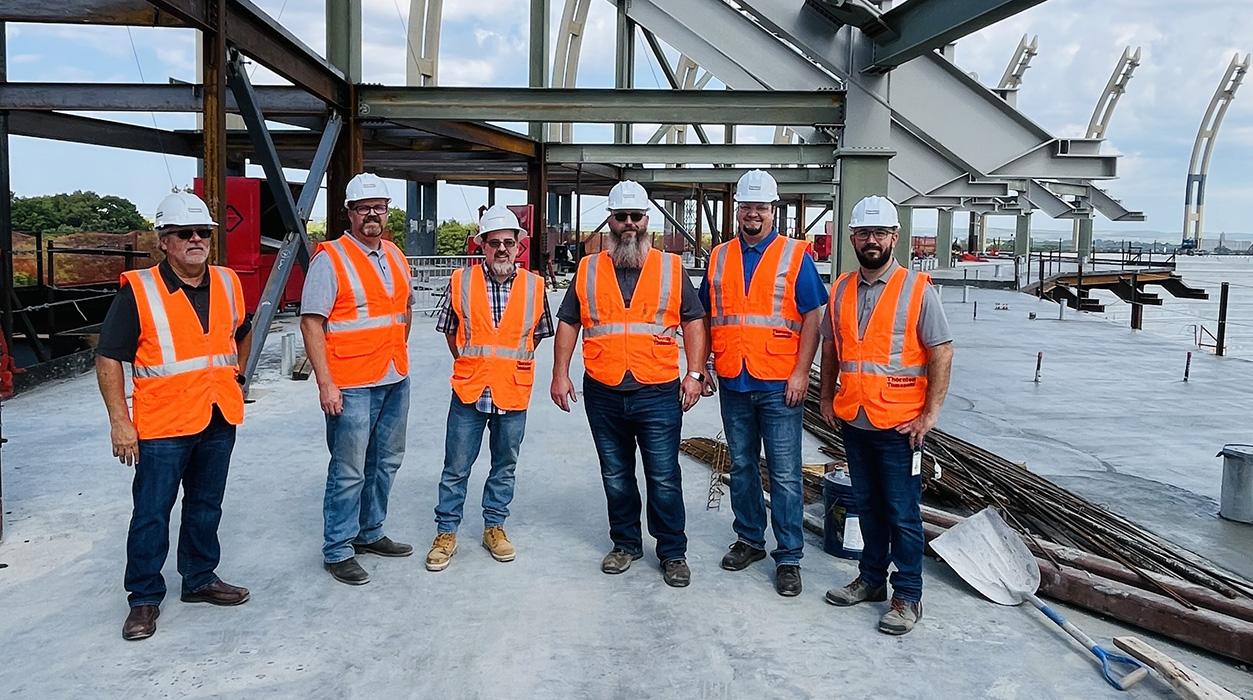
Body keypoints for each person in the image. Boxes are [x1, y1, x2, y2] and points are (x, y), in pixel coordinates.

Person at [96, 191, 252, 641]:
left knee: (206, 505)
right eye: (184, 233)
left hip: (218, 414)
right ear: (163, 241)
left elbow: (241, 332)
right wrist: (119, 421)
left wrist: (237, 375)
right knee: (151, 511)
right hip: (163, 424)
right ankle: (143, 598)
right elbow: (109, 358)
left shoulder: (226, 282)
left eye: (203, 232)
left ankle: (200, 578)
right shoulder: (140, 290)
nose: (196, 240)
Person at [550, 180, 707, 588]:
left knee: (663, 475)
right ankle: (625, 543)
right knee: (615, 474)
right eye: (621, 217)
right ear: (611, 221)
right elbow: (569, 320)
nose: (629, 224)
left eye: (636, 217)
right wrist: (560, 373)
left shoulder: (671, 268)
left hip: (657, 390)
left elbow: (693, 321)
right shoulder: (588, 267)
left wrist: (694, 373)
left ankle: (672, 552)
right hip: (603, 389)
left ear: (647, 221)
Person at [819, 195, 954, 635]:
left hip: (900, 426)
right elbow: (833, 348)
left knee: (902, 512)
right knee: (869, 506)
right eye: (863, 234)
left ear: (895, 238)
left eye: (879, 234)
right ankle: (872, 580)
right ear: (852, 238)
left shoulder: (918, 289)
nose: (871, 241)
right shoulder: (840, 288)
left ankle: (908, 595)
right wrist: (825, 398)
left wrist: (929, 414)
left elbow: (941, 351)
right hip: (855, 419)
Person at [700, 169, 827, 598]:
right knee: (741, 466)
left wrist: (799, 372)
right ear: (738, 210)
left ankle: (788, 556)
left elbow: (814, 315)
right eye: (746, 207)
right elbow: (703, 317)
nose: (752, 214)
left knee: (787, 475)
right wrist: (703, 367)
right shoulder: (719, 257)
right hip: (734, 380)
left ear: (774, 211)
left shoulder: (795, 256)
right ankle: (750, 540)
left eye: (760, 207)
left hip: (778, 384)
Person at [300, 173, 414, 586]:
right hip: (349, 381)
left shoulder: (396, 255)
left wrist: (397, 353)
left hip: (393, 375)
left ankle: (370, 532)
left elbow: (404, 311)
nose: (373, 214)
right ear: (348, 213)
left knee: (386, 461)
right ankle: (338, 548)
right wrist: (325, 383)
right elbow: (312, 323)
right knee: (349, 468)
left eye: (379, 207)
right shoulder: (330, 259)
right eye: (364, 208)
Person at [426, 205, 553, 571]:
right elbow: (451, 331)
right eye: (494, 242)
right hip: (469, 389)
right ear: (481, 245)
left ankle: (494, 527)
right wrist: (472, 360)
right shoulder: (461, 282)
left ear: (518, 247)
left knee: (504, 465)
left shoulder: (534, 286)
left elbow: (537, 335)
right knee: (456, 467)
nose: (501, 249)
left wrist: (509, 362)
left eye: (508, 243)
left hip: (512, 390)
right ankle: (446, 532)